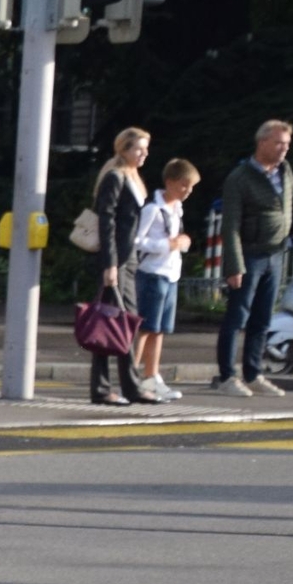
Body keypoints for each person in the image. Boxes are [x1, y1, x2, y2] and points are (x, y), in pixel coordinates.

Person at [213, 119, 293, 397]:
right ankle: (226, 376)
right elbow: (231, 224)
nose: (284, 149)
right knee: (237, 317)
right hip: (250, 255)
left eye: (286, 144)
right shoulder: (240, 178)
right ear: (262, 143)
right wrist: (234, 265)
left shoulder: (284, 171)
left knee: (262, 320)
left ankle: (253, 373)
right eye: (278, 143)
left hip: (275, 254)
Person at [88, 127, 153, 405]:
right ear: (124, 149)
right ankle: (108, 389)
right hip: (114, 260)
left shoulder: (132, 177)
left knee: (121, 321)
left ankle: (127, 386)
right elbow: (107, 221)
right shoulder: (115, 176)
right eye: (139, 148)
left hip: (128, 258)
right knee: (112, 321)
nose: (144, 153)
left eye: (146, 148)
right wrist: (110, 263)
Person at [130, 159, 200, 401]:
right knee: (146, 328)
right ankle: (131, 376)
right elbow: (137, 242)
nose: (187, 192)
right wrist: (167, 245)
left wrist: (182, 243)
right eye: (183, 186)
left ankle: (151, 375)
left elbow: (175, 236)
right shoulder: (152, 209)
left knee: (159, 329)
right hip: (152, 272)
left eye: (190, 187)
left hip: (171, 273)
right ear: (169, 182)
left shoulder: (176, 208)